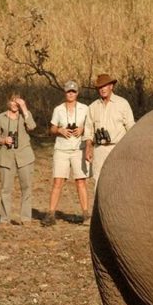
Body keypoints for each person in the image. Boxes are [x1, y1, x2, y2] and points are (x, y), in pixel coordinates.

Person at [43, 80, 92, 227]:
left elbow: (90, 125)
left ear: (77, 93)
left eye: (73, 91)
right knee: (58, 181)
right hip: (62, 149)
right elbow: (51, 129)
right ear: (65, 93)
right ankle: (51, 213)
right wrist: (59, 130)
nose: (71, 94)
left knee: (81, 181)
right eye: (68, 91)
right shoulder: (58, 109)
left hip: (79, 148)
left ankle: (85, 213)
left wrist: (82, 130)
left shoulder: (85, 109)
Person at [0, 94, 37, 225]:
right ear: (8, 102)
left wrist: (24, 108)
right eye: (12, 100)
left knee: (26, 187)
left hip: (25, 156)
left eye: (17, 101)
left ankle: (26, 218)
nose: (14, 104)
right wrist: (3, 140)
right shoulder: (1, 117)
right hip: (6, 156)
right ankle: (4, 219)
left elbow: (32, 126)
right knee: (5, 189)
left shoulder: (25, 115)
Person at [86, 73, 135, 190]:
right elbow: (88, 130)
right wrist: (88, 148)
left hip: (117, 148)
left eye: (105, 86)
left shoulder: (122, 103)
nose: (102, 89)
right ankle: (99, 208)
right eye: (100, 87)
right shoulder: (93, 107)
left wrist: (131, 149)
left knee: (119, 180)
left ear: (111, 86)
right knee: (98, 182)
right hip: (99, 149)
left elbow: (131, 127)